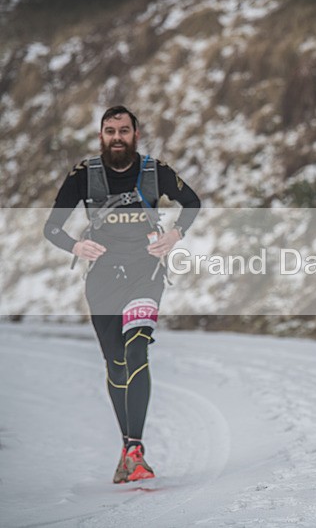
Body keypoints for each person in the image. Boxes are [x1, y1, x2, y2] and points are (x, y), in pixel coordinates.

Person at [43, 105, 201, 484]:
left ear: (136, 134)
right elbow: (52, 228)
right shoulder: (84, 176)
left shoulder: (153, 171)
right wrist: (76, 247)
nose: (117, 137)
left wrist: (175, 234)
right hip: (102, 281)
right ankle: (127, 448)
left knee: (137, 349)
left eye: (123, 131)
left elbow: (192, 203)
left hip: (145, 274)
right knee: (116, 365)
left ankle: (135, 448)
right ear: (101, 136)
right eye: (110, 131)